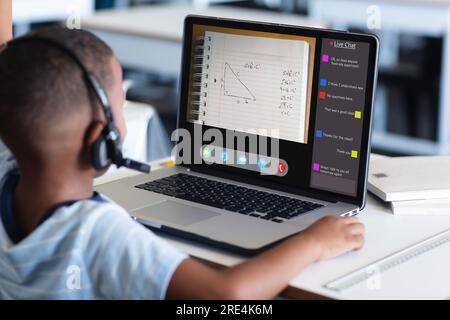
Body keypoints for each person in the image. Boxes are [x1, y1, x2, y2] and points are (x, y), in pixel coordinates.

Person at [0, 12, 364, 299]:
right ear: (102, 139)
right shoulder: (98, 234)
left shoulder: (7, 172)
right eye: (120, 107)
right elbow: (222, 295)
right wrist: (312, 243)